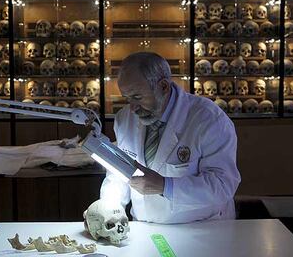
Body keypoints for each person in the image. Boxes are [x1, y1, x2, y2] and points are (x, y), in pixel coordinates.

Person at [100, 52, 241, 224]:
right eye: (127, 98)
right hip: (146, 226)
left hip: (200, 228)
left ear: (164, 87)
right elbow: (118, 174)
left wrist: (166, 186)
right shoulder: (124, 119)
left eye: (137, 97)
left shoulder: (209, 119)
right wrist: (107, 209)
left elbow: (223, 185)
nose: (132, 108)